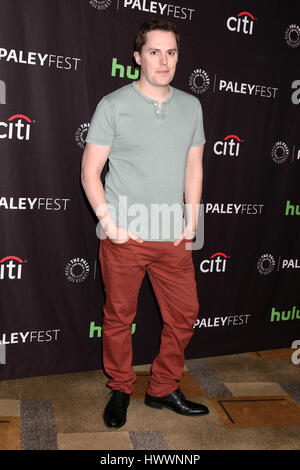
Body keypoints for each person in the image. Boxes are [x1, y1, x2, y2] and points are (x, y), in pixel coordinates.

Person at [81, 18, 209, 429]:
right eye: (154, 52)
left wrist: (191, 220)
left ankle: (163, 387)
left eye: (171, 52)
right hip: (126, 236)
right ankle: (120, 387)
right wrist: (111, 224)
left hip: (172, 235)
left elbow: (194, 165)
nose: (164, 61)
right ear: (137, 57)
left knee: (185, 315)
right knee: (119, 317)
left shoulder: (192, 106)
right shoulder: (113, 105)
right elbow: (90, 171)